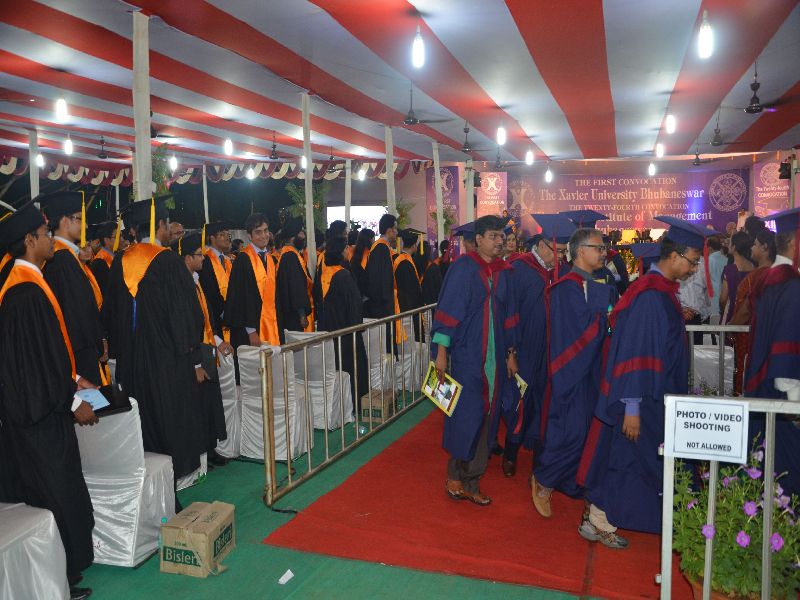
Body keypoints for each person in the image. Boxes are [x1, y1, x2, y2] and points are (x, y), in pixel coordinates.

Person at [580, 216, 711, 545]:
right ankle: (599, 518)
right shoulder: (651, 296)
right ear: (675, 256)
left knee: (634, 460)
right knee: (632, 461)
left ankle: (599, 517)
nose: (694, 268)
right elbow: (636, 352)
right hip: (644, 396)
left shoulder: (659, 291)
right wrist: (632, 407)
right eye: (693, 261)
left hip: (656, 393)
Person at [0, 201, 97, 600]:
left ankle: (63, 573)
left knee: (57, 490)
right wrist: (73, 401)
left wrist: (73, 377)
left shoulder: (26, 281)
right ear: (29, 240)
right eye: (44, 235)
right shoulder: (24, 292)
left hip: (39, 406)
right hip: (40, 415)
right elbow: (36, 364)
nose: (50, 239)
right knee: (54, 493)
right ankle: (59, 578)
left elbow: (44, 351)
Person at [102, 196, 205, 489]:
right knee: (168, 419)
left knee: (140, 419)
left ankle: (146, 485)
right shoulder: (169, 261)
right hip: (166, 362)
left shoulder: (119, 261)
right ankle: (170, 484)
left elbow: (110, 313)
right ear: (160, 225)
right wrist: (190, 351)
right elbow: (188, 314)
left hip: (131, 360)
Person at [432, 215, 519, 506]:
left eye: (502, 236)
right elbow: (447, 313)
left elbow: (509, 315)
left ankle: (473, 479)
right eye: (493, 236)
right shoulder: (463, 269)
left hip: (495, 356)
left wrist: (511, 354)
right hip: (467, 355)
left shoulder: (504, 272)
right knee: (465, 414)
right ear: (478, 239)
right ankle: (455, 475)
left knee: (489, 416)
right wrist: (441, 354)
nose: (499, 241)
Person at [531, 227, 615, 520]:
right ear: (580, 251)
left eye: (604, 249)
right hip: (571, 371)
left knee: (588, 432)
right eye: (598, 248)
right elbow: (575, 333)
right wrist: (606, 320)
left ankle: (571, 482)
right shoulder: (566, 288)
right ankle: (543, 481)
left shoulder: (598, 283)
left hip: (593, 370)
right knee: (571, 432)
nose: (603, 253)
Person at [502, 215, 574, 479]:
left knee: (545, 402)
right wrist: (510, 352)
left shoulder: (561, 272)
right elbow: (509, 312)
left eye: (564, 252)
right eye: (559, 251)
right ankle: (510, 452)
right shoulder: (518, 269)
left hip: (551, 350)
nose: (561, 257)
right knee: (520, 402)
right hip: (525, 349)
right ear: (543, 245)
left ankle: (539, 457)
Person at [744, 207, 800, 496]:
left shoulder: (770, 278)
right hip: (781, 390)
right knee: (786, 469)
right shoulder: (790, 285)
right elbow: (786, 339)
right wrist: (794, 399)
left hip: (763, 378)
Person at [171, 232, 232, 467]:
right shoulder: (180, 286)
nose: (203, 258)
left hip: (206, 348)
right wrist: (195, 362)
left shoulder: (196, 280)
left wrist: (218, 340)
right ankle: (201, 453)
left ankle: (210, 448)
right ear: (187, 258)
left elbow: (207, 319)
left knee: (209, 402)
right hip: (192, 353)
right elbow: (185, 326)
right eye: (199, 255)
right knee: (198, 404)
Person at [39, 191, 107, 387]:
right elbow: (78, 311)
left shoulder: (65, 257)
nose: (84, 225)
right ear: (65, 221)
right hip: (79, 351)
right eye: (79, 219)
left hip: (78, 347)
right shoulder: (62, 260)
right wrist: (98, 341)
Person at [316, 235, 369, 411]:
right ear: (340, 252)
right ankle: (356, 405)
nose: (348, 250)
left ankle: (341, 408)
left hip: (330, 331)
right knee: (354, 369)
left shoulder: (324, 273)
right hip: (347, 332)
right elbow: (355, 304)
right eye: (346, 247)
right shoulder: (343, 275)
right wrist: (357, 327)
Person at [729, 229, 776, 394]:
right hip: (761, 337)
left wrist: (731, 326)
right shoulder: (771, 273)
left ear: (765, 248)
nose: (751, 248)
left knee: (748, 379)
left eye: (755, 245)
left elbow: (747, 310)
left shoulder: (759, 276)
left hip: (749, 339)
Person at [225, 213, 280, 348]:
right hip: (251, 330)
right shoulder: (243, 260)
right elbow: (239, 298)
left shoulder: (271, 259)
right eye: (258, 232)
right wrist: (251, 331)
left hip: (272, 324)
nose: (263, 236)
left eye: (265, 231)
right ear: (249, 236)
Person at [276, 216, 313, 340]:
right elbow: (296, 287)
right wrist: (302, 314)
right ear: (293, 237)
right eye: (301, 233)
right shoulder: (291, 256)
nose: (304, 236)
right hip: (294, 314)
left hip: (289, 311)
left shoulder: (288, 253)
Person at [198, 221, 233, 342]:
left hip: (231, 317)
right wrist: (225, 313)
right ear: (212, 238)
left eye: (228, 235)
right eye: (222, 234)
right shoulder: (205, 259)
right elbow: (209, 290)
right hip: (216, 319)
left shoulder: (228, 260)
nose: (227, 238)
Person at [394, 228, 424, 341]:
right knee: (413, 339)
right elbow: (411, 289)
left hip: (405, 304)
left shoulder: (401, 259)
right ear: (414, 246)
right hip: (409, 307)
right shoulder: (405, 263)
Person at [719, 231, 754, 323]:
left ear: (734, 247)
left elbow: (723, 299)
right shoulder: (754, 267)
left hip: (732, 314)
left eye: (730, 243)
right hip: (749, 315)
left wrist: (722, 310)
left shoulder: (729, 270)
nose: (728, 245)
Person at [88, 221, 118, 294]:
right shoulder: (99, 263)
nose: (121, 239)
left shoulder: (116, 256)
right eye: (117, 237)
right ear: (106, 240)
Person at [414, 240, 443, 306]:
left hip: (420, 305)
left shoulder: (414, 265)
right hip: (433, 304)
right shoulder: (434, 268)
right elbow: (439, 288)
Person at [350, 228, 375, 300]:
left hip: (357, 293)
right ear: (369, 240)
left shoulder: (354, 254)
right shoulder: (369, 255)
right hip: (367, 294)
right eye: (373, 238)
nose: (374, 241)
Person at [707, 236, 727, 320]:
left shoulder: (709, 259)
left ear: (710, 248)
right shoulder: (726, 259)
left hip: (712, 298)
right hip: (724, 295)